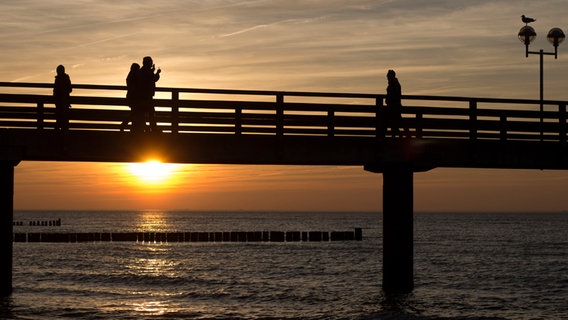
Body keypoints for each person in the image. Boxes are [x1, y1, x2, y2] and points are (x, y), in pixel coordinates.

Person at [138, 56, 161, 132]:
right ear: (148, 63)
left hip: (142, 96)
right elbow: (153, 79)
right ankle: (153, 129)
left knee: (142, 114)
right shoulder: (147, 71)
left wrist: (152, 71)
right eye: (151, 62)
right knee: (151, 114)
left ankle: (144, 128)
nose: (152, 63)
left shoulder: (142, 71)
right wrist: (157, 73)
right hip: (147, 96)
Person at [385, 69, 407, 138]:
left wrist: (388, 100)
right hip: (394, 107)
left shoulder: (394, 84)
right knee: (395, 123)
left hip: (393, 107)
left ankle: (404, 136)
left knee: (393, 123)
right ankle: (404, 136)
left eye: (388, 76)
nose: (387, 78)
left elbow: (393, 95)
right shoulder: (395, 83)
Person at [121, 63, 142, 132]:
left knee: (135, 113)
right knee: (135, 113)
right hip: (134, 98)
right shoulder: (134, 76)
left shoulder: (130, 76)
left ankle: (131, 128)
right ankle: (125, 125)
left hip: (131, 97)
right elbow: (134, 88)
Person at [53, 65, 72, 131]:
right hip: (63, 101)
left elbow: (55, 90)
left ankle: (59, 130)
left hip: (61, 101)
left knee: (60, 116)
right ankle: (63, 130)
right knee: (63, 117)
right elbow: (70, 89)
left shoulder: (58, 79)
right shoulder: (64, 78)